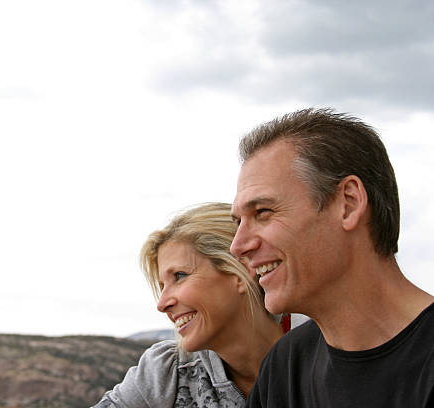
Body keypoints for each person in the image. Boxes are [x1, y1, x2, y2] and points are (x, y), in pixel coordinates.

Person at [230, 108, 434, 407]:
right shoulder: (284, 366)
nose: (237, 246)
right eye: (238, 222)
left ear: (348, 203)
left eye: (262, 212)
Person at [92, 203, 285, 407]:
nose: (162, 304)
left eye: (179, 276)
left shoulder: (318, 347)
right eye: (162, 285)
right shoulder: (167, 373)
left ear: (241, 270)